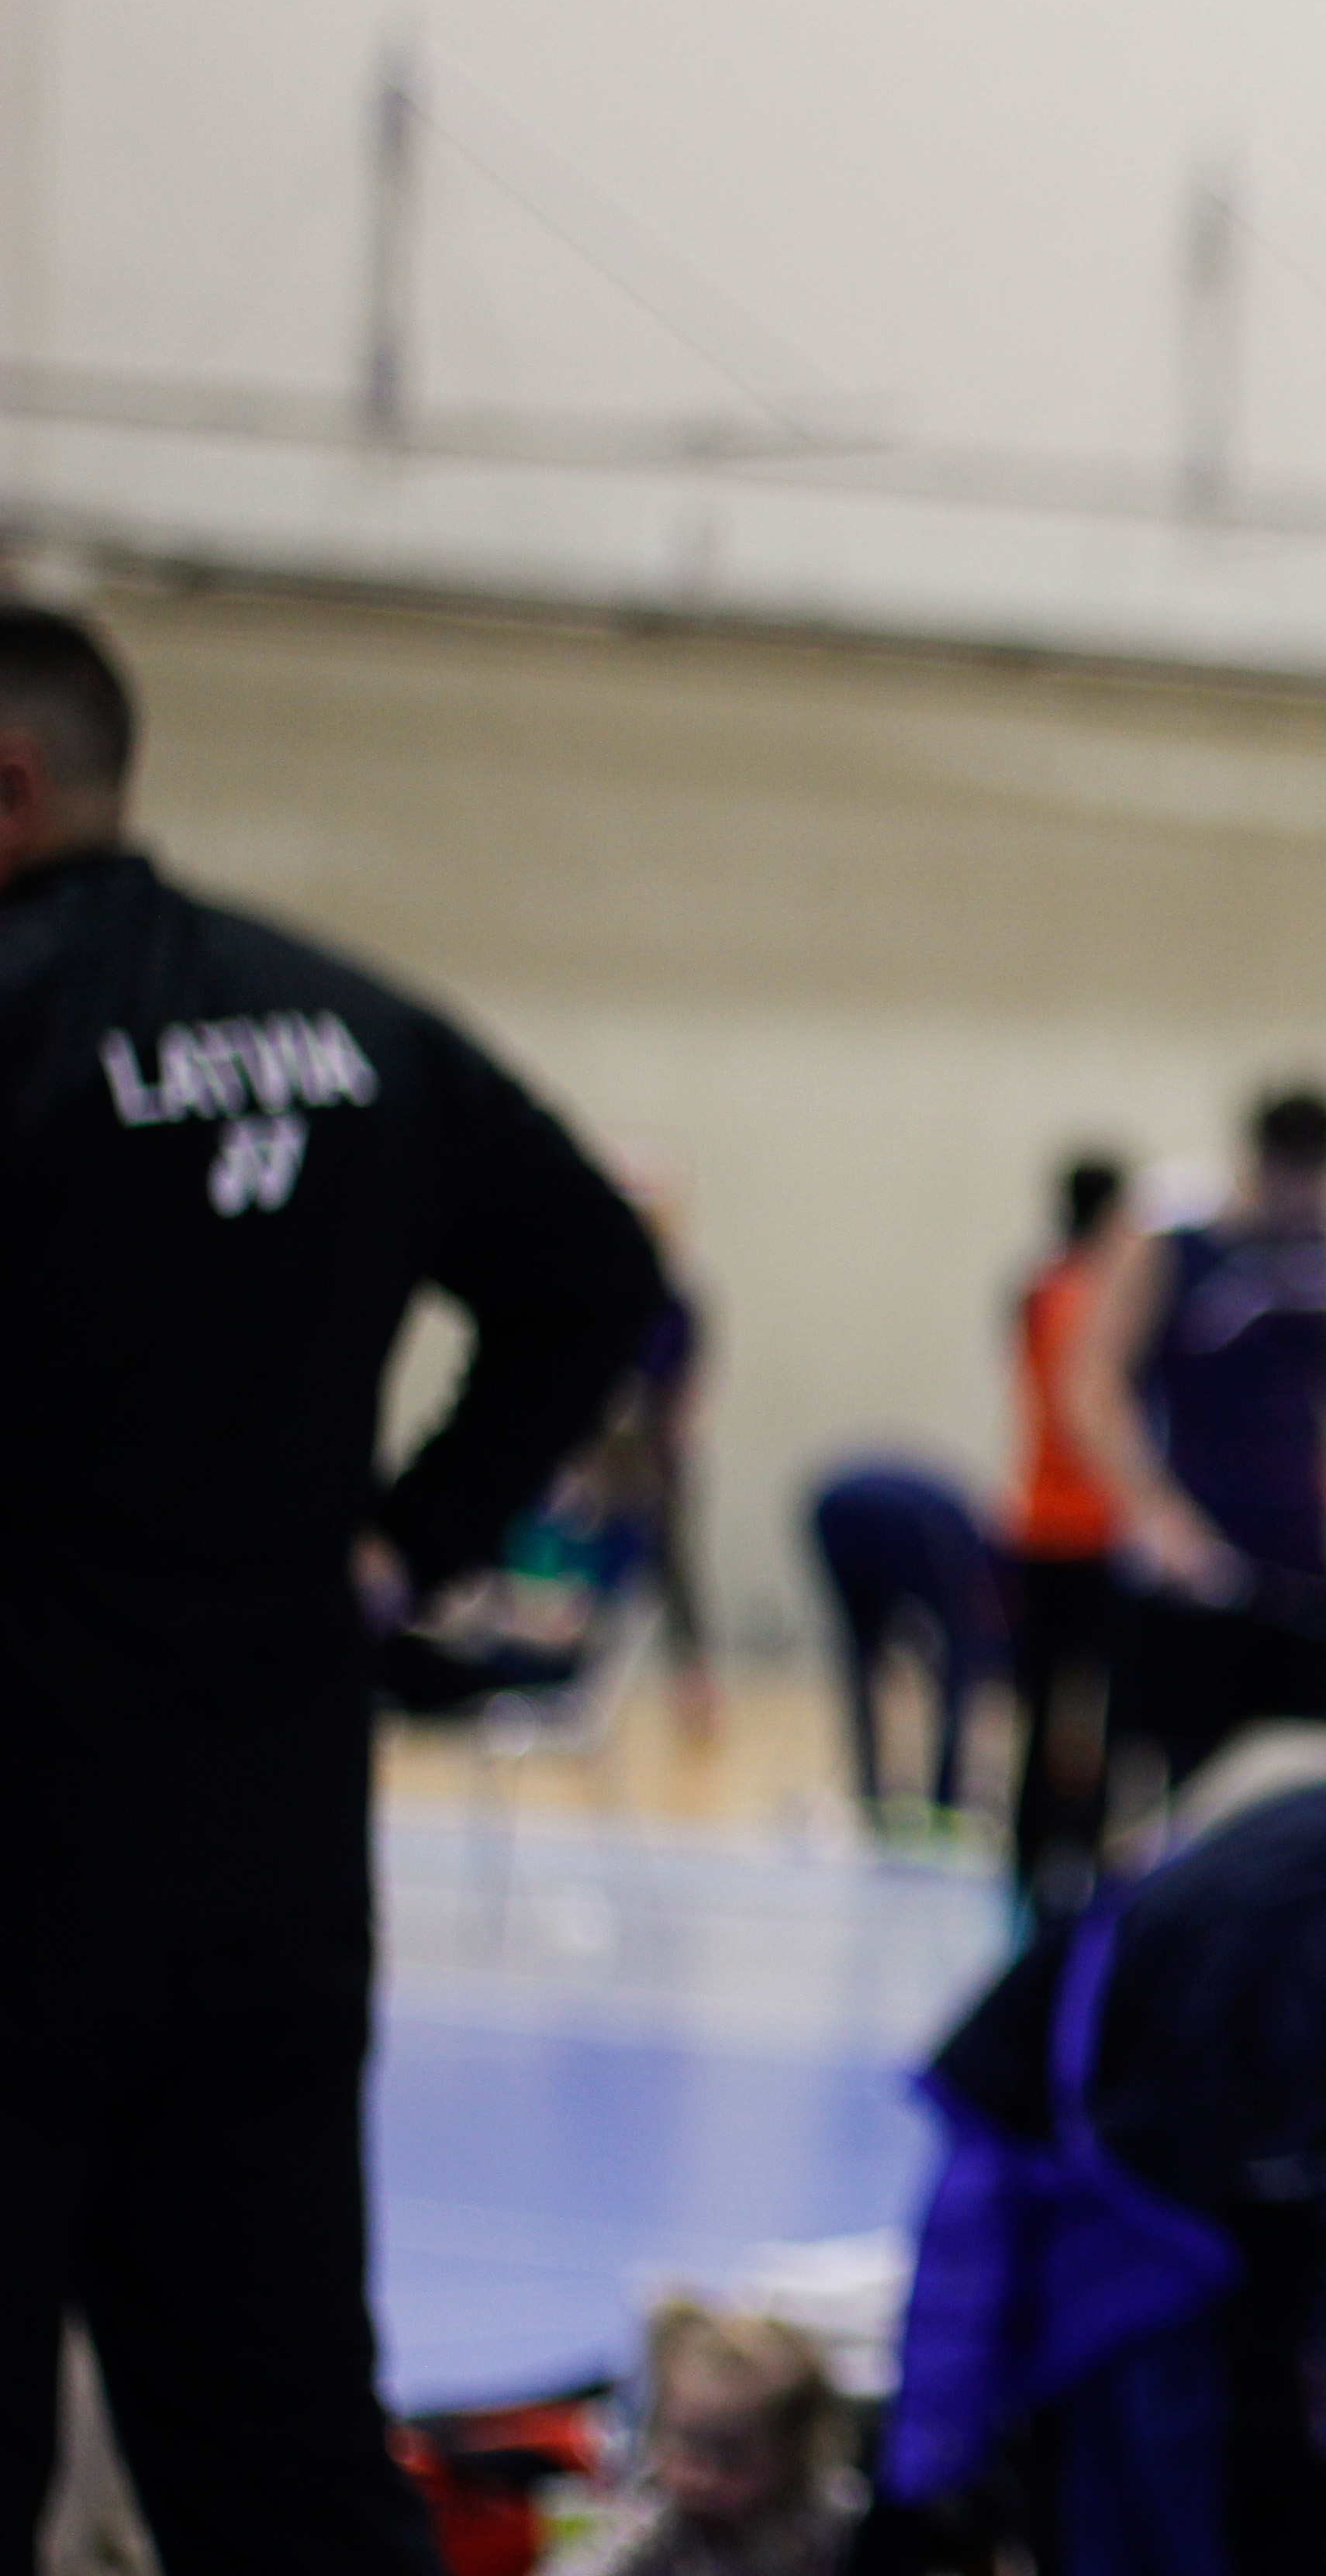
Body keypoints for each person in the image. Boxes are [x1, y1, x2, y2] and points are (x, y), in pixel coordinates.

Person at [0, 599, 666, 2568]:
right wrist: (409, 1539)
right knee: (273, 2437)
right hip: (262, 1829)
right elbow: (595, 1273)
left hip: (22, 1816)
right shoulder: (355, 1025)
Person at [1063, 1085, 1326, 1798]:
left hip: (1302, 1551)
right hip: (1202, 1553)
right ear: (1261, 1165)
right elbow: (1093, 1387)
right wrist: (1156, 1517)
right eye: (1296, 1179)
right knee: (1190, 1779)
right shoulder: (1173, 1245)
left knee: (1317, 1769)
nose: (1308, 1200)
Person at [1003, 1151, 1131, 1914]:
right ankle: (1074, 1849)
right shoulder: (1085, 1297)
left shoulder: (1035, 1286)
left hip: (1039, 1522)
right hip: (1087, 1527)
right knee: (1096, 1707)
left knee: (1050, 1705)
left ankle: (1037, 1850)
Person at [545, 2301, 855, 2576]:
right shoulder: (653, 2518)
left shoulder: (828, 2521)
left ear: (792, 2454)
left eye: (730, 2458)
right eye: (687, 2447)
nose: (703, 2476)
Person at [806, 1460, 1009, 1831]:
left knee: (864, 1657)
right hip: (870, 1525)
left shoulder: (961, 1542)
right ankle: (943, 1798)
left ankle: (871, 1791)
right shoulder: (967, 1549)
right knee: (955, 1669)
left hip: (834, 1515)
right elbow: (961, 1648)